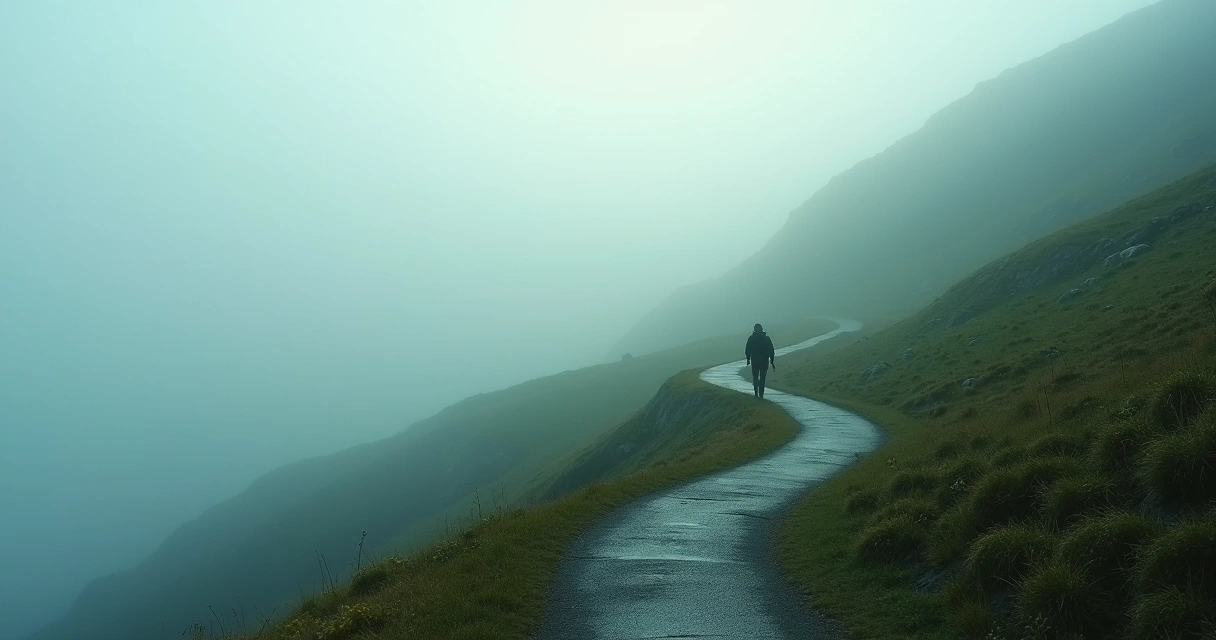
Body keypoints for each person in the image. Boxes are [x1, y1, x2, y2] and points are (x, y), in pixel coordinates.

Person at [745, 323, 776, 398]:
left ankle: (756, 392)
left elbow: (747, 350)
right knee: (763, 377)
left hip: (755, 360)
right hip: (764, 360)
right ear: (762, 329)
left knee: (755, 376)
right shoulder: (766, 338)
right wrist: (772, 360)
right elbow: (771, 350)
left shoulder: (751, 338)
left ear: (754, 330)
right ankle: (761, 393)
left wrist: (748, 359)